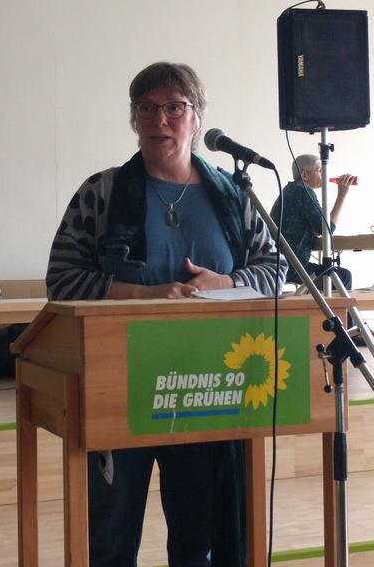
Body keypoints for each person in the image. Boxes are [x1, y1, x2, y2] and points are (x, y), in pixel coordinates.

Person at [46, 61, 288, 566]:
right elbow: (63, 279)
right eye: (147, 108)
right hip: (119, 386)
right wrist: (145, 295)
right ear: (134, 119)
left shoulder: (235, 196)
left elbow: (275, 269)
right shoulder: (102, 193)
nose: (160, 120)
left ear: (197, 119)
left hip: (208, 388)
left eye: (175, 108)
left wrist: (228, 282)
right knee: (110, 541)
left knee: (199, 540)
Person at [270, 153, 374, 347]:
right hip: (292, 268)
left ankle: (347, 329)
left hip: (279, 265)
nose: (324, 175)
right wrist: (342, 196)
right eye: (319, 171)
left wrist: (310, 231)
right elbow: (327, 229)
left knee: (335, 277)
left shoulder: (290, 192)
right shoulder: (303, 192)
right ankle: (351, 333)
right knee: (342, 277)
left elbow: (311, 227)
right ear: (305, 175)